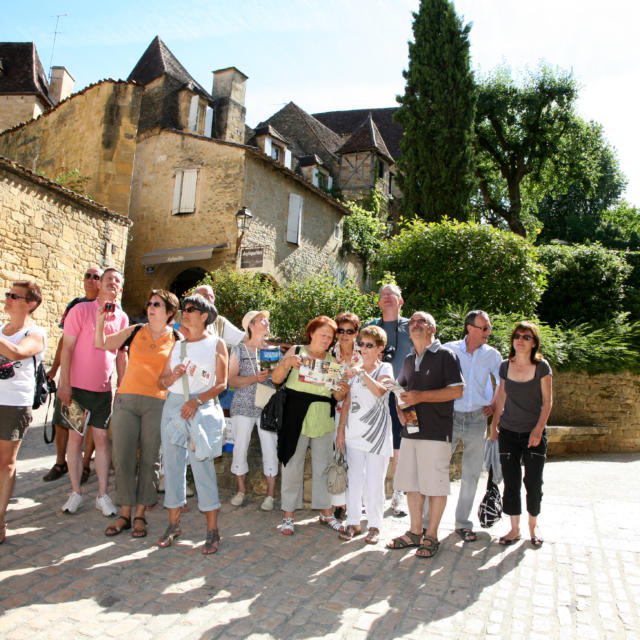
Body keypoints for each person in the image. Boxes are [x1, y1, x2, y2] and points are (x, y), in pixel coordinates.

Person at [95, 289, 180, 538]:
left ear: (169, 312)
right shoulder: (135, 331)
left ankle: (140, 514)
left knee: (150, 459)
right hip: (127, 401)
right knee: (123, 457)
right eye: (149, 303)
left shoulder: (176, 339)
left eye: (157, 304)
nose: (150, 307)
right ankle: (125, 514)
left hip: (157, 403)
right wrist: (101, 319)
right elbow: (101, 343)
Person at [386, 312, 464, 559]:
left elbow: (457, 391)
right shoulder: (409, 359)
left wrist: (420, 397)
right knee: (412, 485)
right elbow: (402, 388)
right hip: (410, 432)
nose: (416, 325)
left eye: (422, 322)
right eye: (412, 323)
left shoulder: (446, 356)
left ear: (433, 328)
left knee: (435, 486)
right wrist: (400, 406)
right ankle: (414, 532)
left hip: (435, 432)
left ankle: (431, 536)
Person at [156, 294, 227, 554]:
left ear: (204, 315)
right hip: (174, 406)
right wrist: (171, 376)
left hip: (200, 407)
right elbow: (160, 382)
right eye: (184, 309)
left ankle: (212, 530)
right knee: (173, 466)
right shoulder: (178, 346)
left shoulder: (216, 344)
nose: (184, 313)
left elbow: (221, 383)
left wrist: (196, 402)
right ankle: (173, 525)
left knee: (202, 467)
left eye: (191, 309)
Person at [426, 310, 502, 543]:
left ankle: (463, 524)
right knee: (436, 470)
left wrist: (493, 405)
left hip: (478, 418)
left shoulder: (492, 355)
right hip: (449, 416)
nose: (488, 332)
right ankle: (428, 524)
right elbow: (433, 378)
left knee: (471, 474)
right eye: (484, 328)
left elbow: (502, 383)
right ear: (470, 328)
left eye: (488, 328)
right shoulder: (449, 349)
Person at [57, 267, 128, 516]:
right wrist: (64, 382)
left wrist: (123, 387)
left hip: (102, 392)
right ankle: (76, 492)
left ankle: (102, 495)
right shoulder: (80, 310)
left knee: (100, 440)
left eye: (117, 281)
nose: (112, 283)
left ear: (120, 289)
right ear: (100, 284)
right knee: (75, 439)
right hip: (76, 390)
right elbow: (66, 348)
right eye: (108, 278)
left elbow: (121, 355)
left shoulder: (121, 318)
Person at [272, 316, 348, 536]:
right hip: (295, 415)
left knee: (323, 466)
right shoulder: (297, 352)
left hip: (322, 416)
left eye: (330, 336)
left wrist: (342, 390)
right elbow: (276, 380)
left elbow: (337, 395)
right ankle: (288, 515)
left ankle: (326, 513)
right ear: (312, 333)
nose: (326, 339)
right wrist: (287, 364)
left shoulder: (333, 362)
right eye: (323, 334)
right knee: (291, 464)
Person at [490, 321, 552, 548]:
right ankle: (514, 529)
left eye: (527, 336)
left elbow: (547, 402)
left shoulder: (542, 367)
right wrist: (494, 424)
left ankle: (533, 527)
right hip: (508, 432)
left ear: (534, 342)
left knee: (534, 482)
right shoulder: (505, 366)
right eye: (517, 335)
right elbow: (502, 396)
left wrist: (538, 430)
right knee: (511, 482)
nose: (521, 339)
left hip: (533, 433)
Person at [43, 266, 102, 483]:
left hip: (93, 381)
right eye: (88, 275)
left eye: (96, 277)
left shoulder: (107, 308)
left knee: (88, 424)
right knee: (63, 421)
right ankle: (62, 463)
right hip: (71, 376)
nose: (90, 280)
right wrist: (55, 368)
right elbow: (64, 341)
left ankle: (85, 465)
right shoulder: (75, 306)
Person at [335, 325, 392, 544]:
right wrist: (341, 431)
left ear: (380, 348)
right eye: (362, 344)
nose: (364, 349)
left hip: (377, 434)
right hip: (354, 433)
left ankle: (375, 525)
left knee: (374, 481)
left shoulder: (385, 368)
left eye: (369, 345)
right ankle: (353, 522)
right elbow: (347, 402)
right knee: (354, 479)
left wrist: (362, 373)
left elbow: (380, 391)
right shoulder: (354, 369)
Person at [0, 281, 47, 544]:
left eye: (14, 296)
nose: (7, 298)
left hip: (14, 403)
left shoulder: (36, 333)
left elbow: (17, 353)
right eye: (7, 294)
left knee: (5, 462)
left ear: (30, 304)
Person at [365, 284, 412, 516]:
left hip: (403, 397)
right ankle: (372, 496)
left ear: (400, 301)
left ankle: (398, 496)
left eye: (391, 295)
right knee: (374, 446)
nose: (386, 298)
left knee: (400, 449)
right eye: (382, 295)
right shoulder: (371, 327)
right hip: (376, 395)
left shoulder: (413, 326)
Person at [228, 310, 278, 511]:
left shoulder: (273, 350)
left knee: (270, 448)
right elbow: (231, 380)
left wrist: (273, 374)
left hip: (267, 405)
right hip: (242, 404)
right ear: (251, 325)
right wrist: (253, 379)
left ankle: (270, 496)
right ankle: (241, 491)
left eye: (267, 319)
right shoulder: (239, 350)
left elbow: (278, 379)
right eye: (262, 320)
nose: (266, 322)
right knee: (240, 447)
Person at [330, 311, 362, 522]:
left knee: (358, 459)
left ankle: (357, 503)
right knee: (339, 457)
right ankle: (339, 503)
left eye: (349, 331)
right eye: (340, 330)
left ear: (356, 333)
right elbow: (333, 389)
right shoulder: (330, 354)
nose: (344, 335)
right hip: (338, 410)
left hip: (360, 412)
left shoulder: (365, 352)